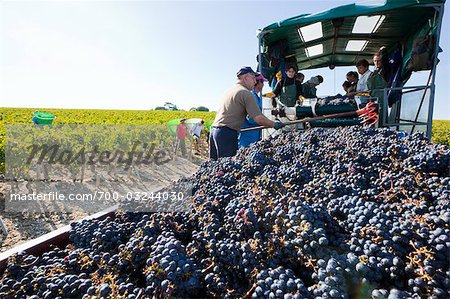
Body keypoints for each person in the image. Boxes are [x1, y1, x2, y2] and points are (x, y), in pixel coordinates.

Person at [210, 67, 285, 160]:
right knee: (226, 168)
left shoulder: (230, 90)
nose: (255, 81)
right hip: (227, 133)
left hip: (214, 131)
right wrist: (274, 124)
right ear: (245, 78)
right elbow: (258, 118)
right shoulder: (245, 93)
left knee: (215, 168)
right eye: (253, 78)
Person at [239, 73, 268, 148]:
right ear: (258, 83)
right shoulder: (251, 96)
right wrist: (265, 122)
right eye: (262, 83)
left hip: (254, 134)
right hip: (247, 136)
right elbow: (251, 118)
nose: (263, 85)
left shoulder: (257, 97)